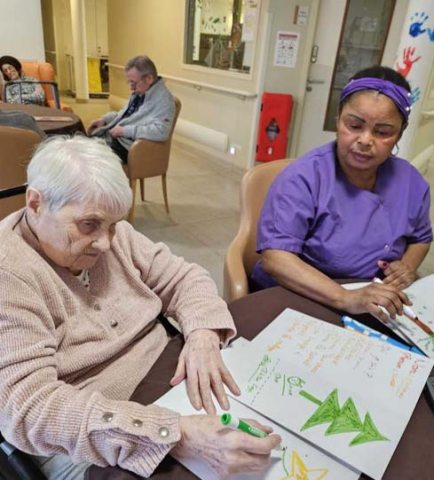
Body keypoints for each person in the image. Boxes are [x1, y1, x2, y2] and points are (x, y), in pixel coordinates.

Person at [0, 135, 280, 480]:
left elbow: (185, 278)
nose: (106, 243)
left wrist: (202, 333)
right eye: (89, 225)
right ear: (36, 204)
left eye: (114, 225)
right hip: (89, 435)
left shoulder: (110, 232)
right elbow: (30, 409)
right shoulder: (9, 273)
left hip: (166, 381)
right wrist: (173, 434)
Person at [252, 66, 432, 323]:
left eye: (382, 132)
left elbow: (421, 238)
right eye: (354, 125)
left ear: (399, 134)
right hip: (305, 293)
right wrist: (345, 298)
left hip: (374, 297)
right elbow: (275, 258)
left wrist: (407, 266)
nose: (365, 140)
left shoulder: (411, 182)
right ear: (338, 120)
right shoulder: (304, 177)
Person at [87, 55, 175, 164]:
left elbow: (161, 131)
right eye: (129, 82)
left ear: (149, 78)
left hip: (129, 147)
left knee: (89, 158)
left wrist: (125, 131)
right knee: (80, 145)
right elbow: (125, 115)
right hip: (117, 138)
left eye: (133, 82)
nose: (131, 88)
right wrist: (104, 120)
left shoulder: (164, 100)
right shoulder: (141, 92)